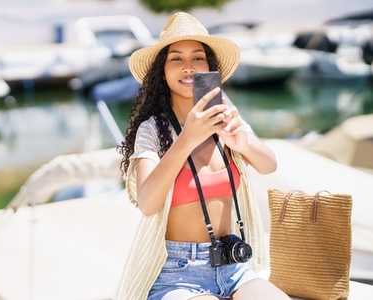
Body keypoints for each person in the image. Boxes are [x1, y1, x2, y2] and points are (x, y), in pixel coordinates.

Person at [114, 12, 291, 300]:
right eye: (176, 59)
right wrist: (186, 140)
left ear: (210, 66)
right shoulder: (152, 131)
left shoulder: (224, 118)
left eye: (198, 58)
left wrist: (242, 143)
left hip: (233, 265)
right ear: (162, 71)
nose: (189, 67)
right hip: (176, 273)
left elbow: (269, 164)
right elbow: (148, 203)